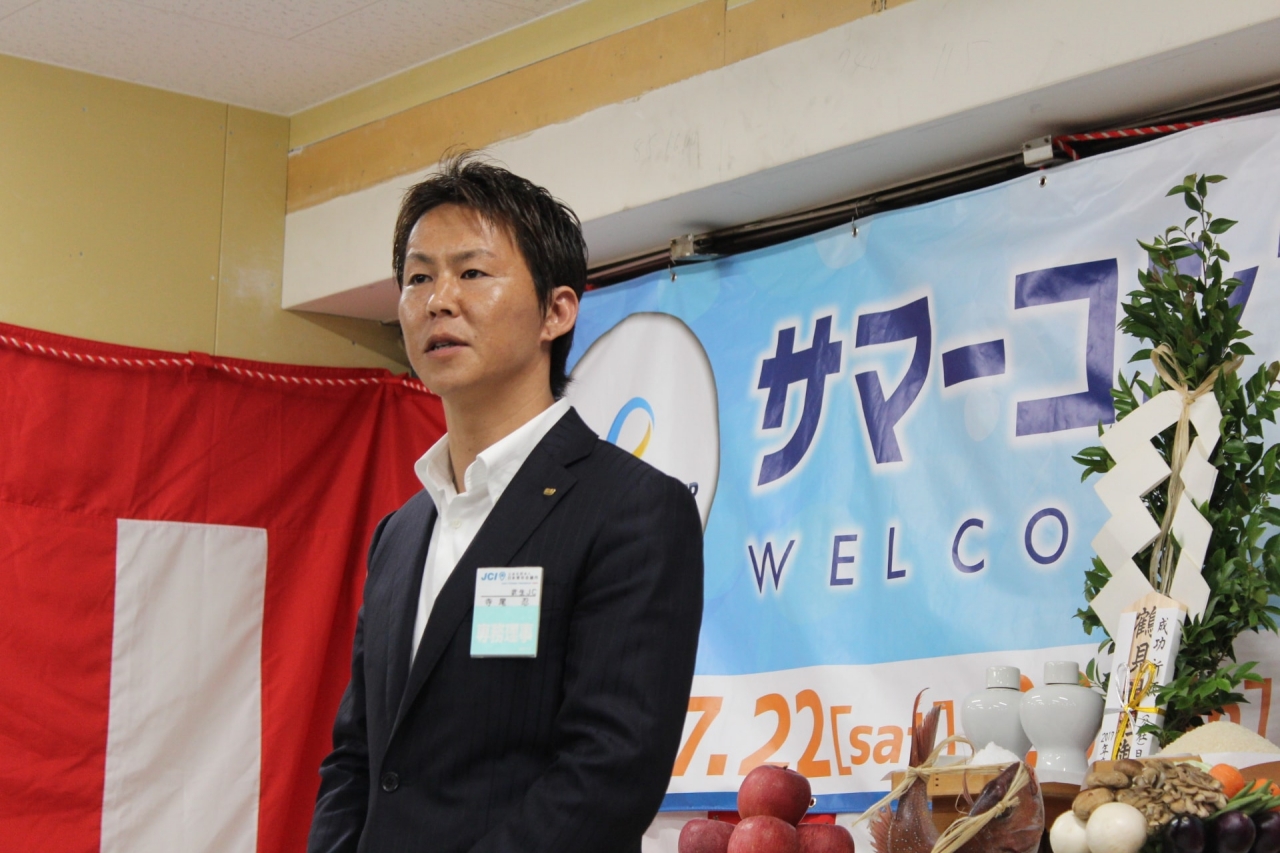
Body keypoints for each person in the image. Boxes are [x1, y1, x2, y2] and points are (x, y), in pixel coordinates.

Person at [307, 153, 704, 853]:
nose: (439, 300)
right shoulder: (400, 534)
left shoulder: (633, 509)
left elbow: (609, 772)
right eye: (419, 277)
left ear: (557, 311)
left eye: (472, 273)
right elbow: (357, 759)